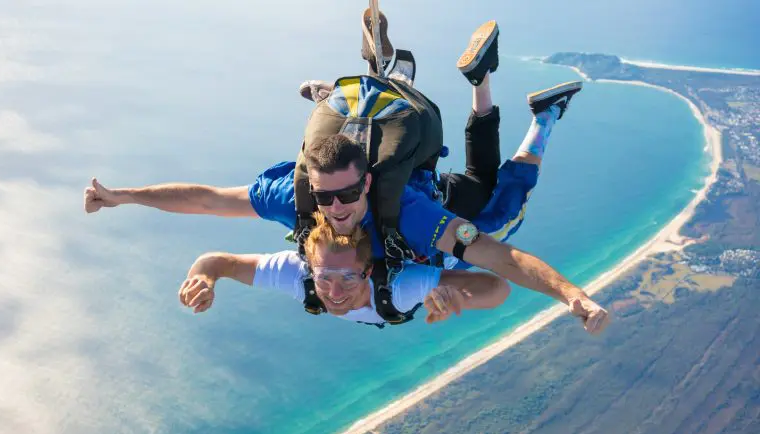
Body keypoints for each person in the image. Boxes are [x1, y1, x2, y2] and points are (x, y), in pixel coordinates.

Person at [84, 18, 610, 333]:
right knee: (483, 191)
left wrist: (572, 297)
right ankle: (375, 90)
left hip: (422, 204)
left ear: (367, 183)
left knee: (501, 210)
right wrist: (122, 197)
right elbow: (206, 202)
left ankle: (527, 111)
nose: (336, 208)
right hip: (426, 202)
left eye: (348, 194)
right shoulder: (302, 204)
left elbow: (500, 261)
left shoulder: (402, 213)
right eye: (324, 195)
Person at [178, 212, 514, 328]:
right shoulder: (297, 274)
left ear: (368, 272)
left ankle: (542, 117)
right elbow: (217, 262)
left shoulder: (402, 287)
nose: (334, 294)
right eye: (324, 278)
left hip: (449, 252)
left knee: (506, 216)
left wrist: (458, 297)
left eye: (348, 278)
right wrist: (203, 280)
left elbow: (498, 288)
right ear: (310, 268)